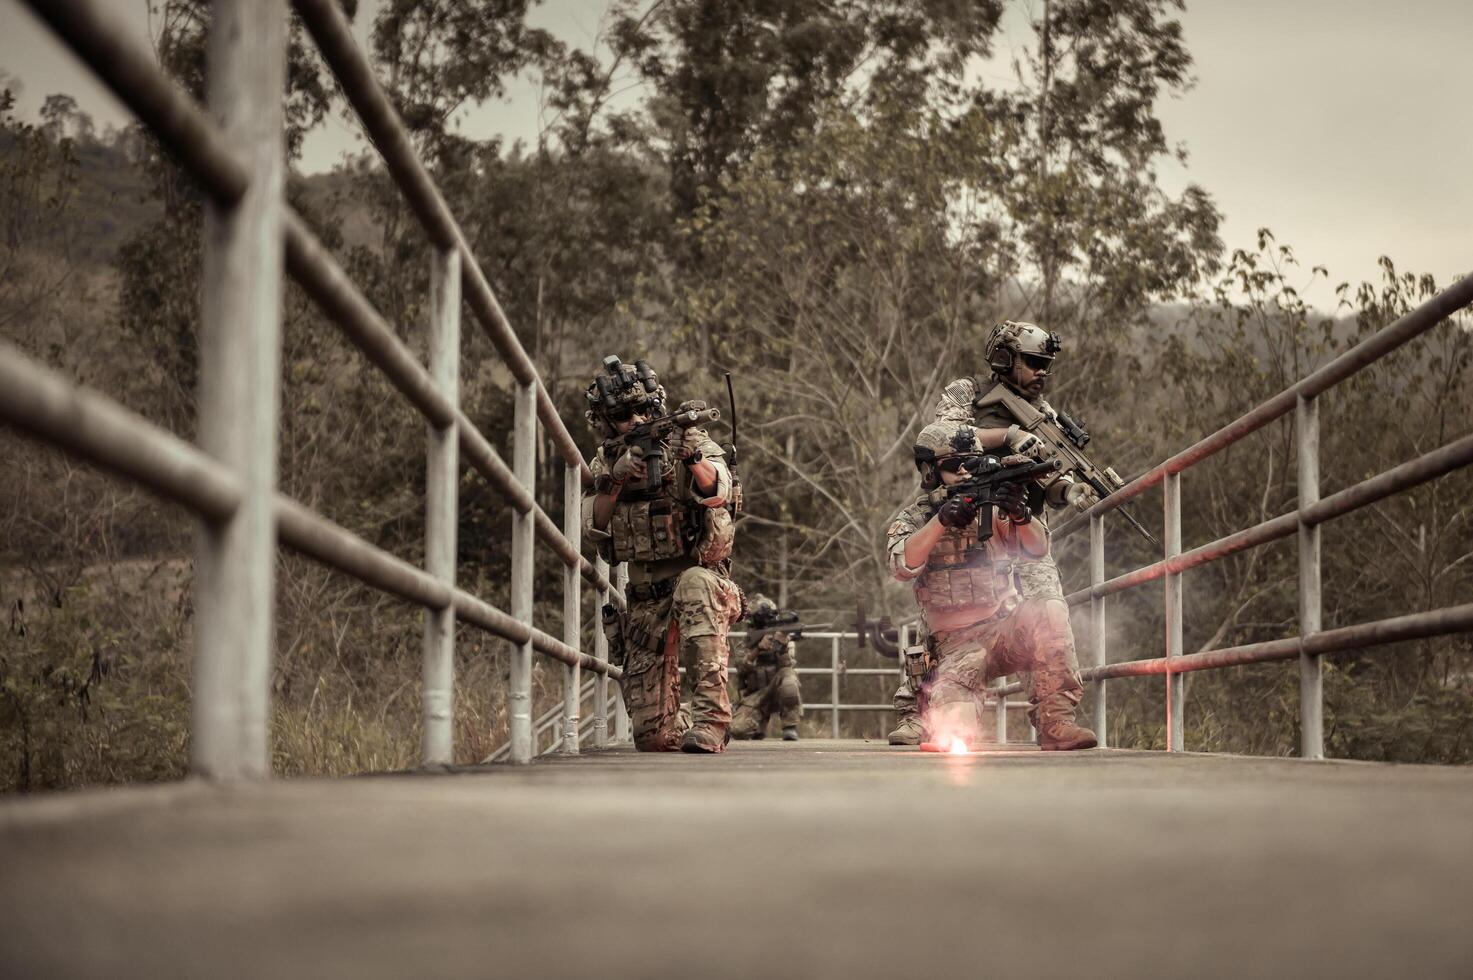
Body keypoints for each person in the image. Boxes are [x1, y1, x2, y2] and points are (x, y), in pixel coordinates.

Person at [887, 320, 1089, 745]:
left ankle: (1055, 719)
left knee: (1047, 609)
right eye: (1033, 362)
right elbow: (949, 438)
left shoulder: (1046, 416)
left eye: (1046, 365)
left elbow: (1050, 485)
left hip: (1016, 518)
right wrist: (1010, 436)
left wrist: (1068, 489)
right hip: (962, 515)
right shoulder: (968, 393)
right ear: (1004, 359)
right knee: (947, 600)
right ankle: (919, 709)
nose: (1041, 373)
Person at [583, 355, 741, 753]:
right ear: (607, 420)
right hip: (644, 597)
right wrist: (617, 479)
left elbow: (720, 491)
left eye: (642, 410)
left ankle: (711, 721)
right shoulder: (606, 460)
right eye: (623, 415)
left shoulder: (690, 440)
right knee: (653, 737)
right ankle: (681, 718)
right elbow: (592, 528)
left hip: (697, 581)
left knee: (695, 584)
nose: (635, 421)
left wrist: (693, 459)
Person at [730, 595, 803, 742]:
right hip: (756, 696)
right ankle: (759, 728)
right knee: (737, 730)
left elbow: (788, 668)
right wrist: (757, 649)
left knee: (788, 678)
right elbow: (741, 669)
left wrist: (782, 648)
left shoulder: (782, 637)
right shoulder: (746, 642)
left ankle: (789, 727)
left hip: (777, 692)